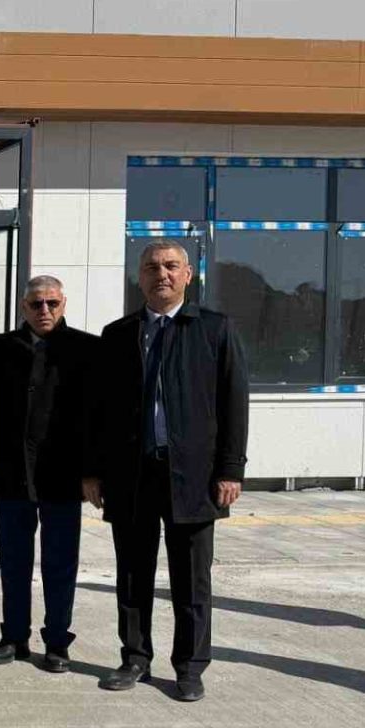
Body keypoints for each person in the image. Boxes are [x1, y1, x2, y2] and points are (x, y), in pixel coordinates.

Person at [85, 242, 249, 703]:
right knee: (132, 575)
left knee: (191, 580)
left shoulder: (215, 329)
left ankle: (190, 667)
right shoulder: (118, 334)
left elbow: (234, 403)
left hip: (194, 477)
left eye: (172, 266)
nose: (162, 274)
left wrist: (231, 470)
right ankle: (135, 657)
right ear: (140, 277)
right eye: (152, 267)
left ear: (188, 275)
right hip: (132, 475)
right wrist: (93, 471)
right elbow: (99, 410)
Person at [0, 275, 98, 674]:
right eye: (36, 304)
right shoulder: (2, 347)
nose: (44, 310)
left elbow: (94, 418)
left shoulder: (85, 348)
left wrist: (92, 473)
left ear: (63, 304)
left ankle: (57, 641)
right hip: (13, 472)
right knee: (14, 562)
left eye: (51, 303)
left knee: (60, 564)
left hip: (62, 475)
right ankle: (14, 637)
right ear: (23, 307)